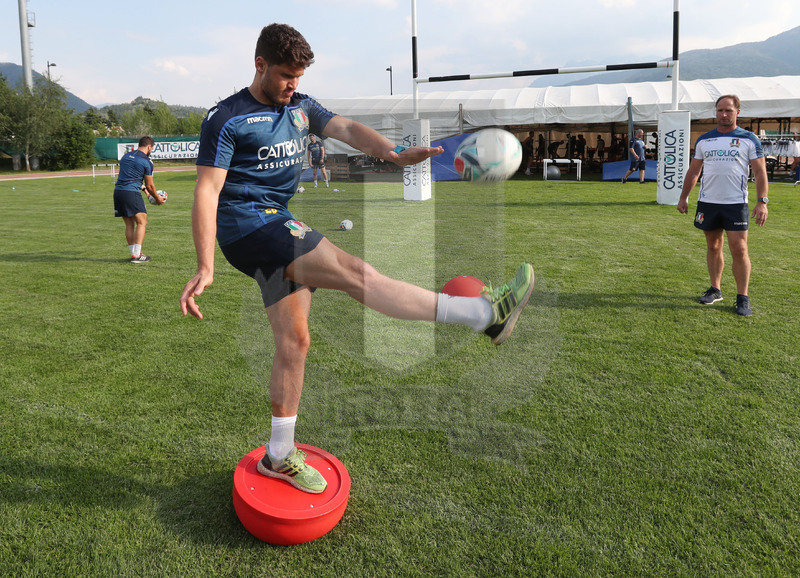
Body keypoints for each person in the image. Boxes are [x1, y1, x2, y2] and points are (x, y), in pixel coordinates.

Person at [179, 23, 535, 494]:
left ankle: (279, 455)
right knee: (355, 273)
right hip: (248, 225)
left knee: (295, 342)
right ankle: (483, 315)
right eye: (285, 75)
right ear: (259, 65)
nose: (293, 85)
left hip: (273, 221)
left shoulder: (301, 106)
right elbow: (207, 191)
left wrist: (393, 153)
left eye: (299, 76)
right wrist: (205, 265)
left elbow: (345, 128)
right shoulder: (226, 117)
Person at [677, 94, 769, 316]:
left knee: (739, 249)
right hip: (708, 202)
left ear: (738, 112)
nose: (724, 114)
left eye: (728, 110)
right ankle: (715, 289)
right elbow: (694, 171)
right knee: (713, 246)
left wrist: (762, 201)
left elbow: (759, 172)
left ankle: (742, 297)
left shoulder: (749, 139)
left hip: (735, 203)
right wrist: (684, 197)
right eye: (720, 110)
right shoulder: (705, 140)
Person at [113, 136, 163, 263]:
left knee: (129, 224)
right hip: (131, 193)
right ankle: (137, 255)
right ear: (149, 147)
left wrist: (146, 192)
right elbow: (150, 185)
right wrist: (157, 198)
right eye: (152, 148)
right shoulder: (146, 161)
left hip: (118, 192)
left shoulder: (126, 156)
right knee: (142, 222)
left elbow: (131, 178)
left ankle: (134, 253)